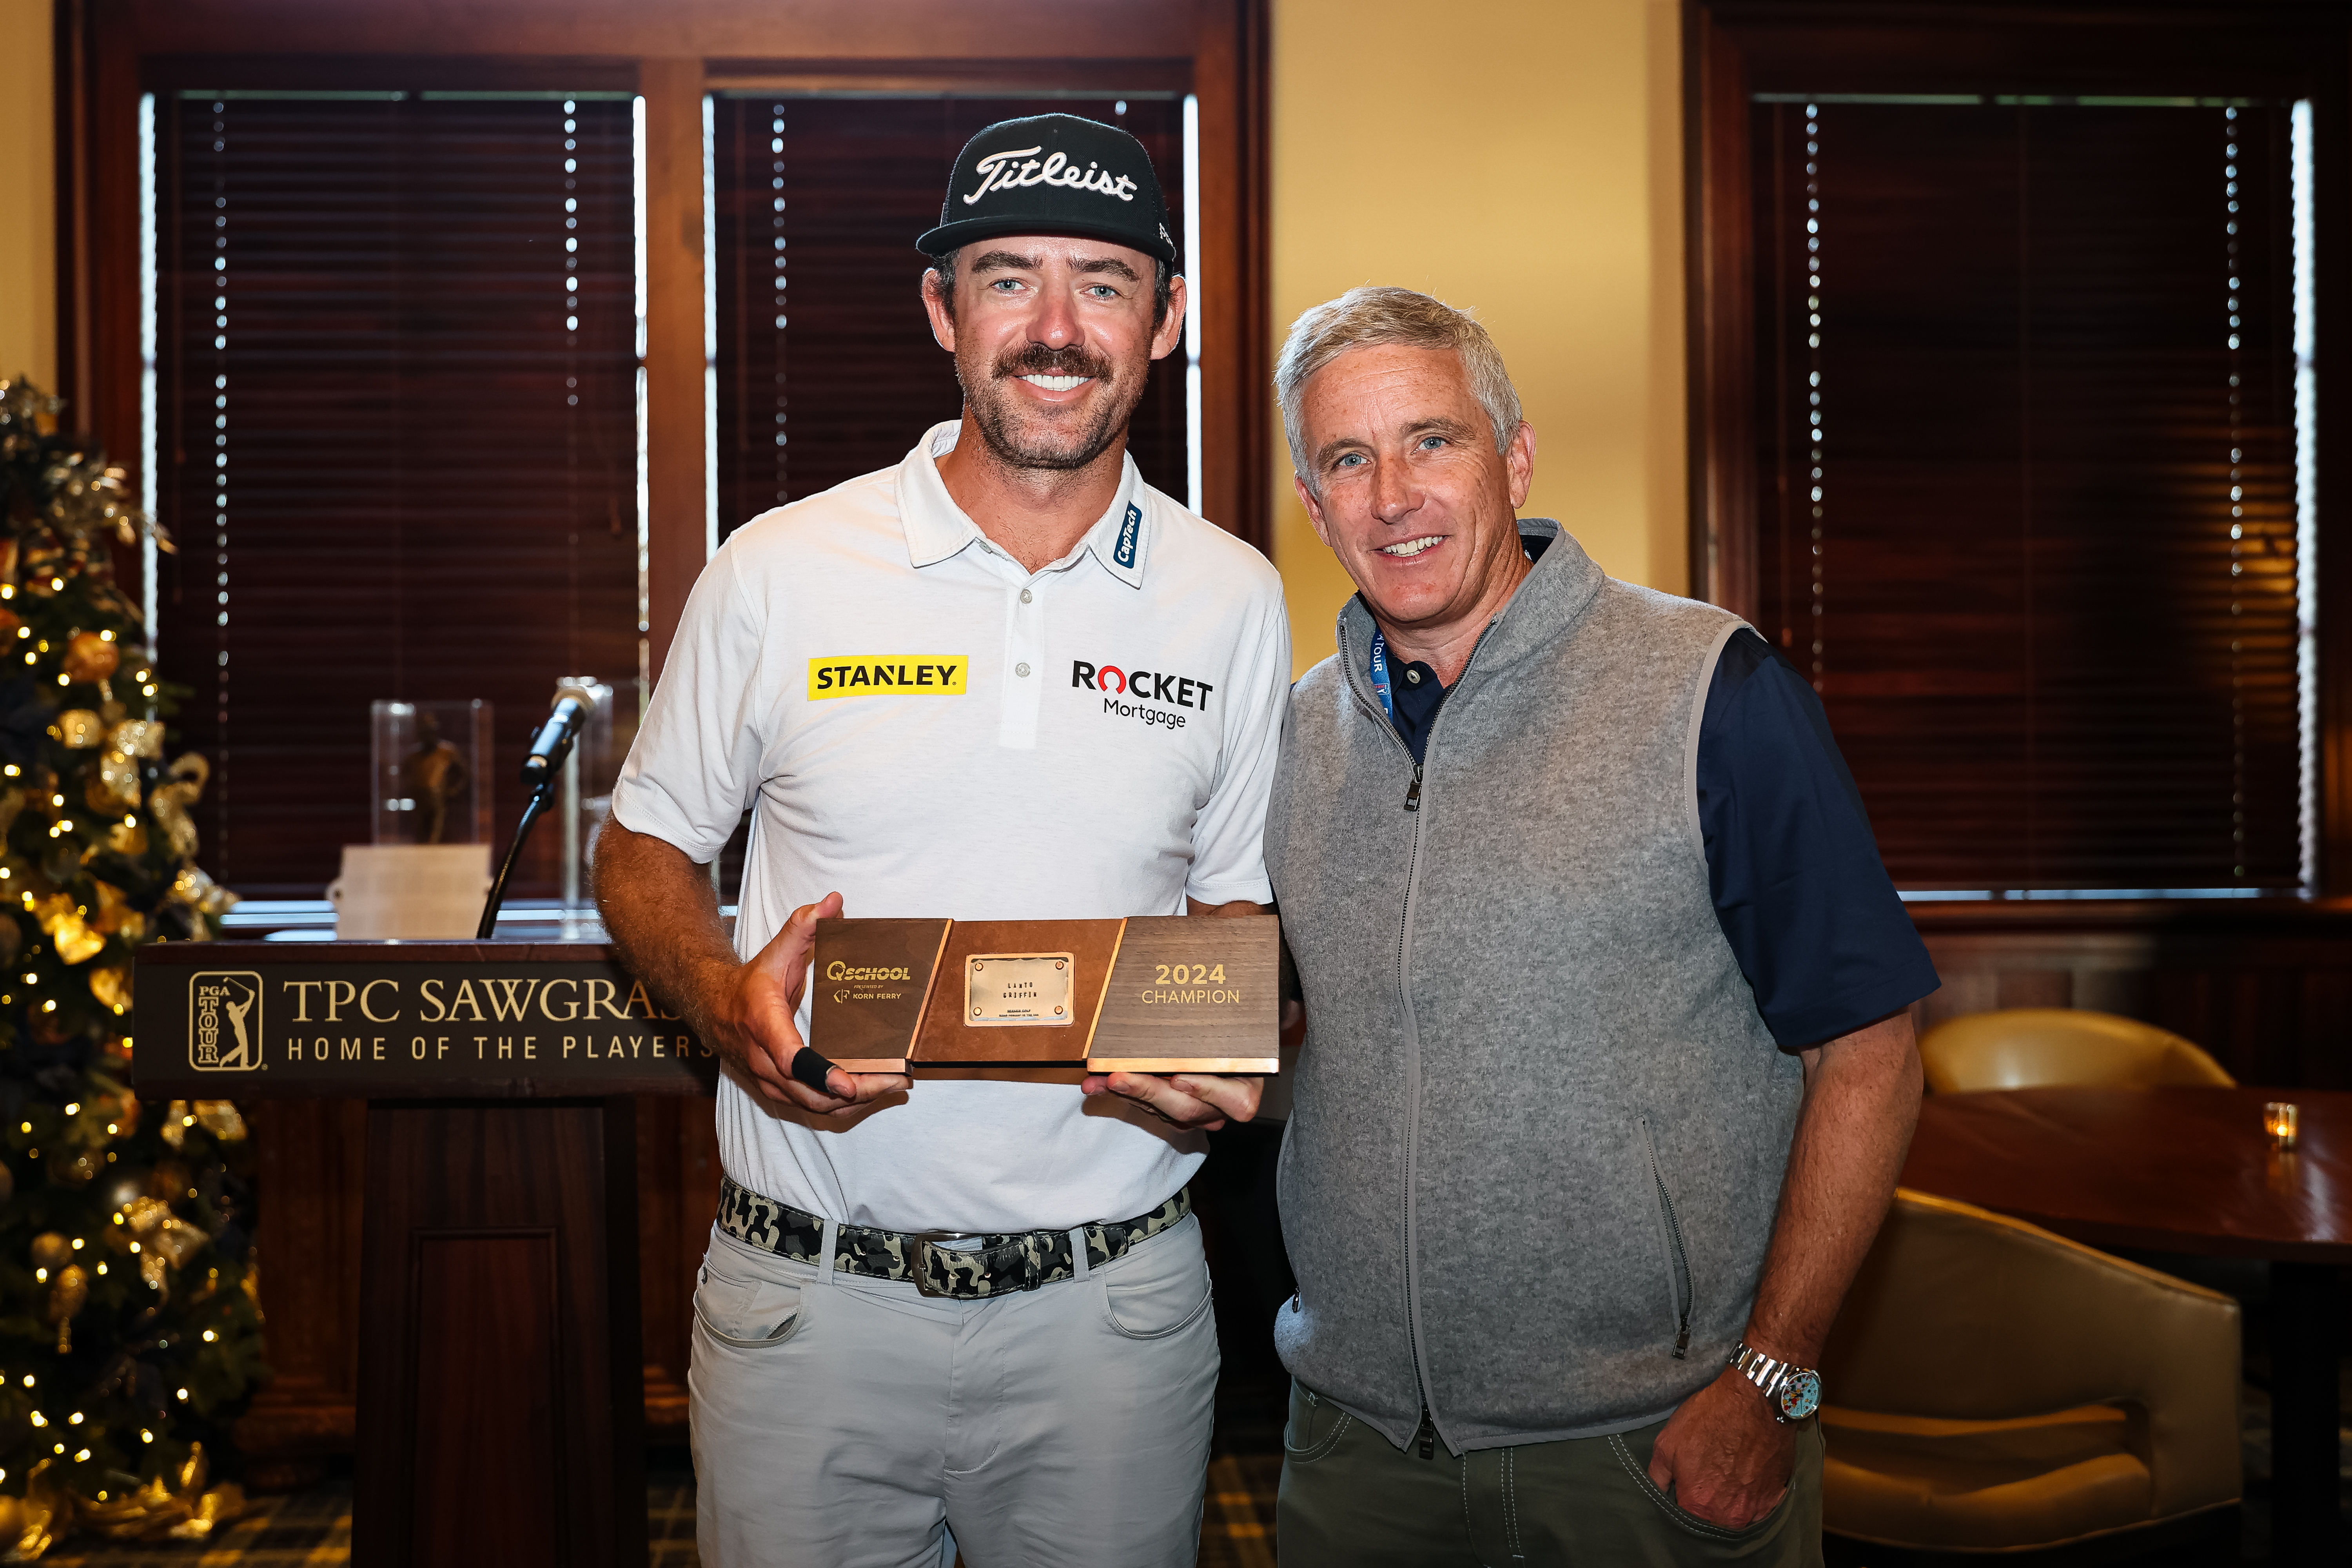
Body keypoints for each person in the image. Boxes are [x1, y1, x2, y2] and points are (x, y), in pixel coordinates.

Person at [593, 114, 1290, 1568]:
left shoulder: (1231, 598)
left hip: (1117, 1315)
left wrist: (1223, 1041)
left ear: (1164, 322)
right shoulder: (781, 569)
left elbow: (1231, 905)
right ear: (942, 310)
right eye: (1008, 278)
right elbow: (646, 847)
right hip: (810, 1307)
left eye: (1103, 283)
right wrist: (728, 1003)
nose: (1055, 328)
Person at [1262, 286, 1939, 1565]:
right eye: (1348, 459)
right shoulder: (1294, 735)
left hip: (1648, 1450)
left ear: (1514, 457)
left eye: (1432, 440)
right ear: (1314, 503)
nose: (1392, 494)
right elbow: (1287, 1027)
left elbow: (1870, 1053)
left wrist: (1772, 1378)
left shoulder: (1712, 692)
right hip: (1352, 1455)